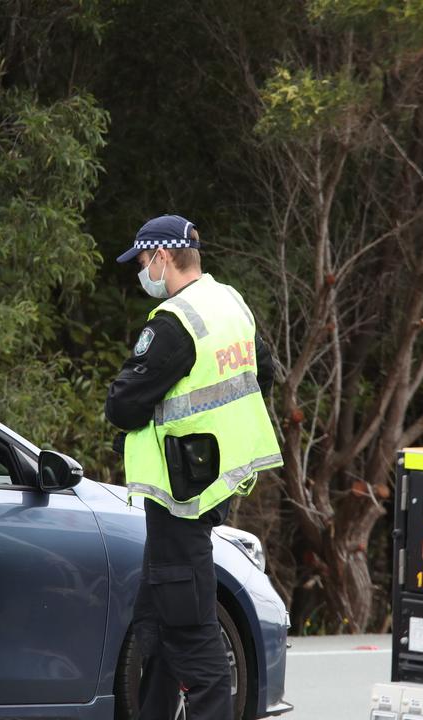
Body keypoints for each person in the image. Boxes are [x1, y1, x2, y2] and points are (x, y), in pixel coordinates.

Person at [106, 214, 283, 720]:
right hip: (212, 482)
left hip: (179, 493)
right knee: (155, 626)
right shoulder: (230, 303)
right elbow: (262, 374)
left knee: (189, 629)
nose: (142, 272)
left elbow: (122, 406)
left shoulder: (174, 322)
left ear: (162, 257)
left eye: (142, 262)